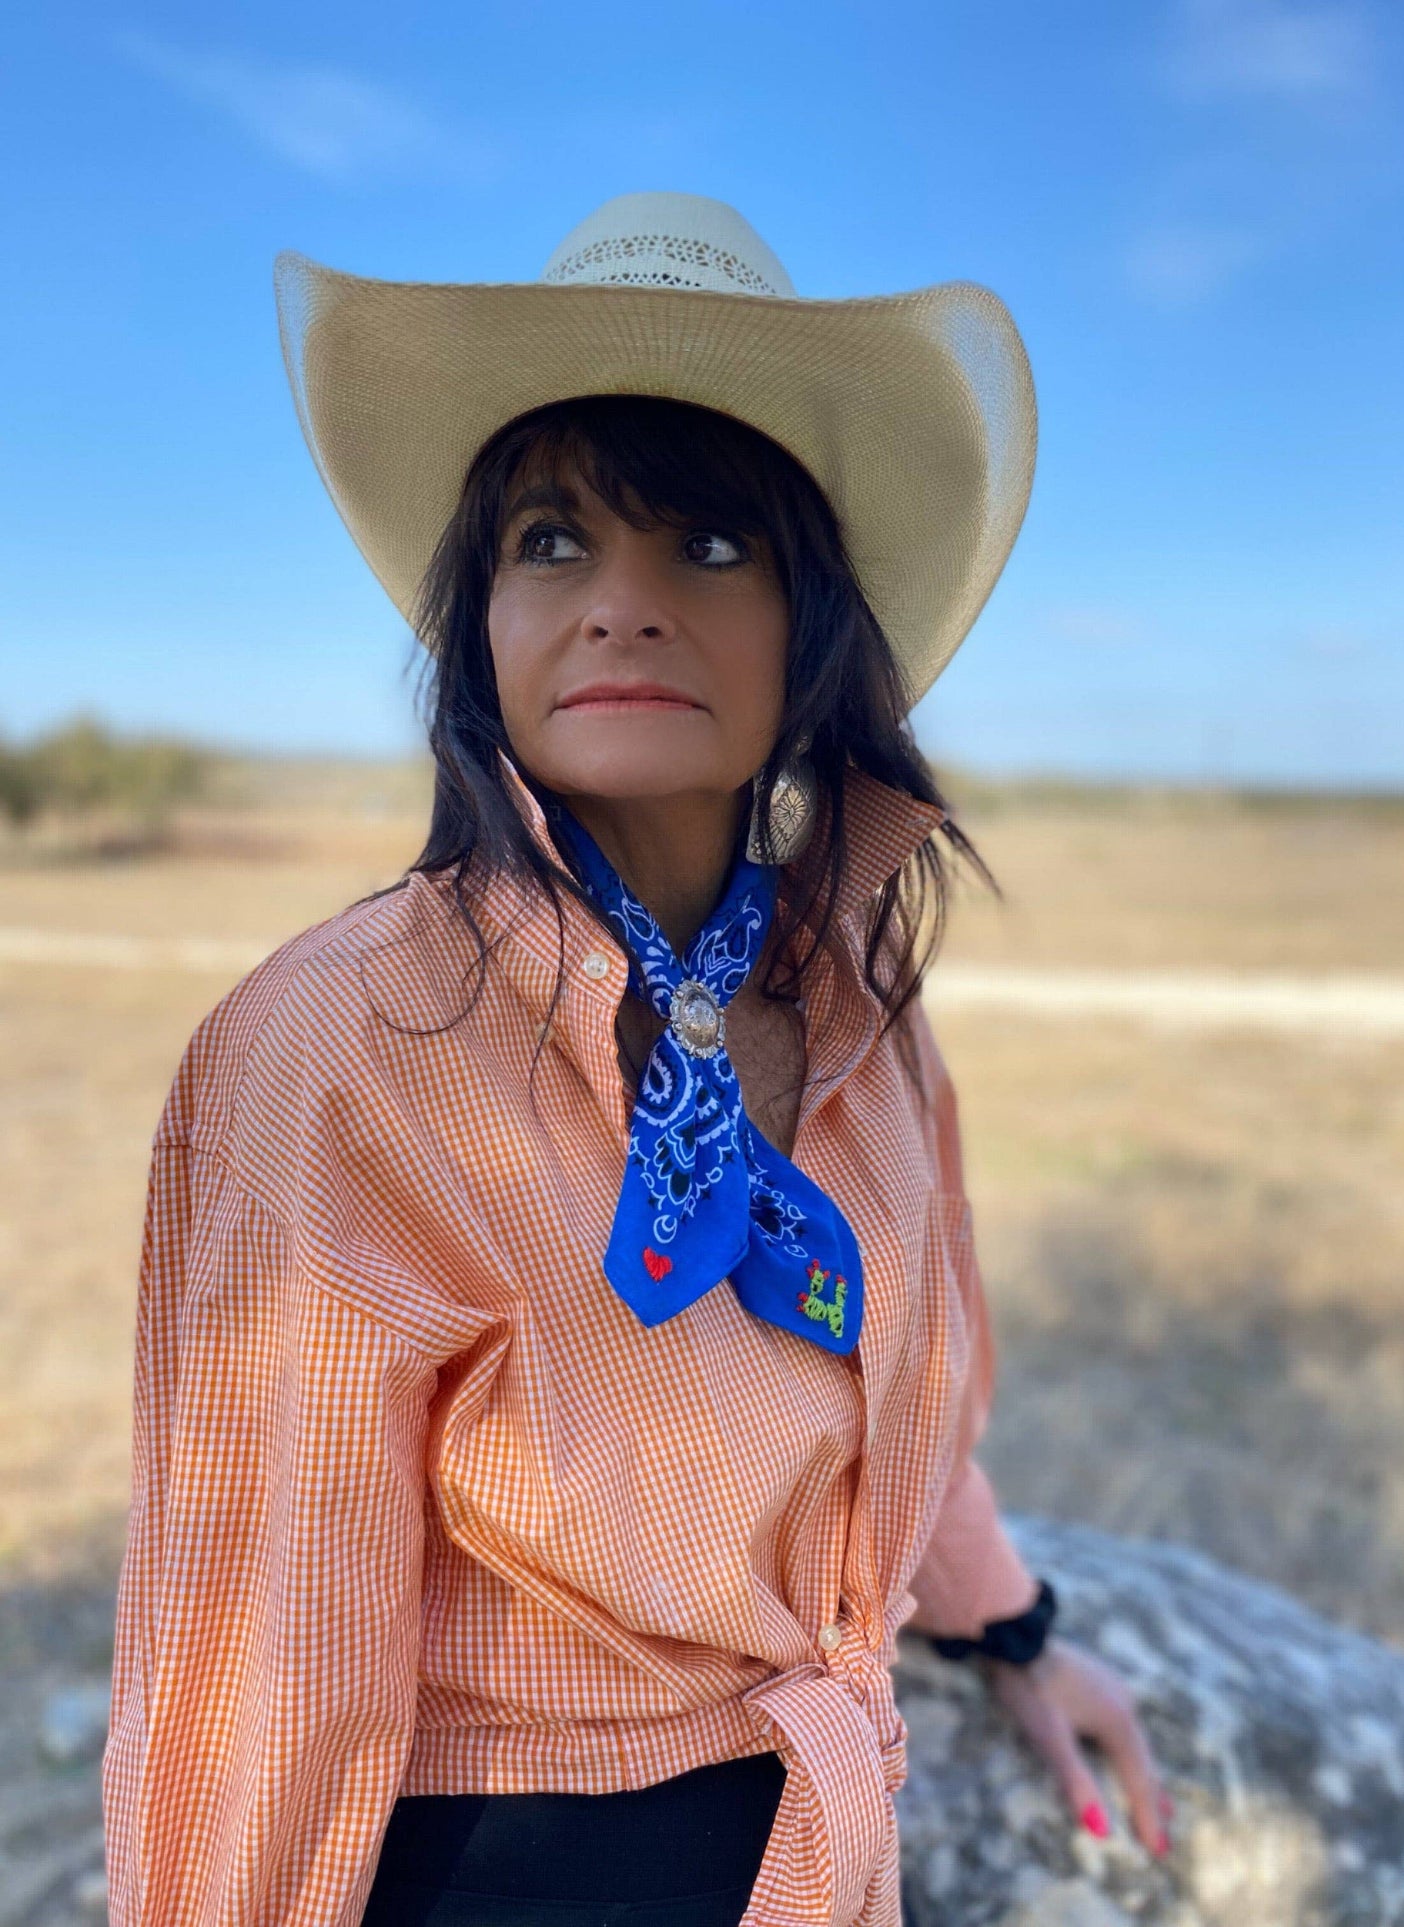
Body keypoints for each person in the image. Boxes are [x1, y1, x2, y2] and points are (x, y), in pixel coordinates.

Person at [103, 193, 1168, 1927]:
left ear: (813, 636)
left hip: (825, 1864)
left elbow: (895, 1402)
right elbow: (259, 1656)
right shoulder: (340, 1047)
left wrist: (1019, 1633)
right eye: (548, 541)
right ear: (482, 625)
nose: (619, 605)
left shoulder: (862, 1030)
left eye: (712, 548)